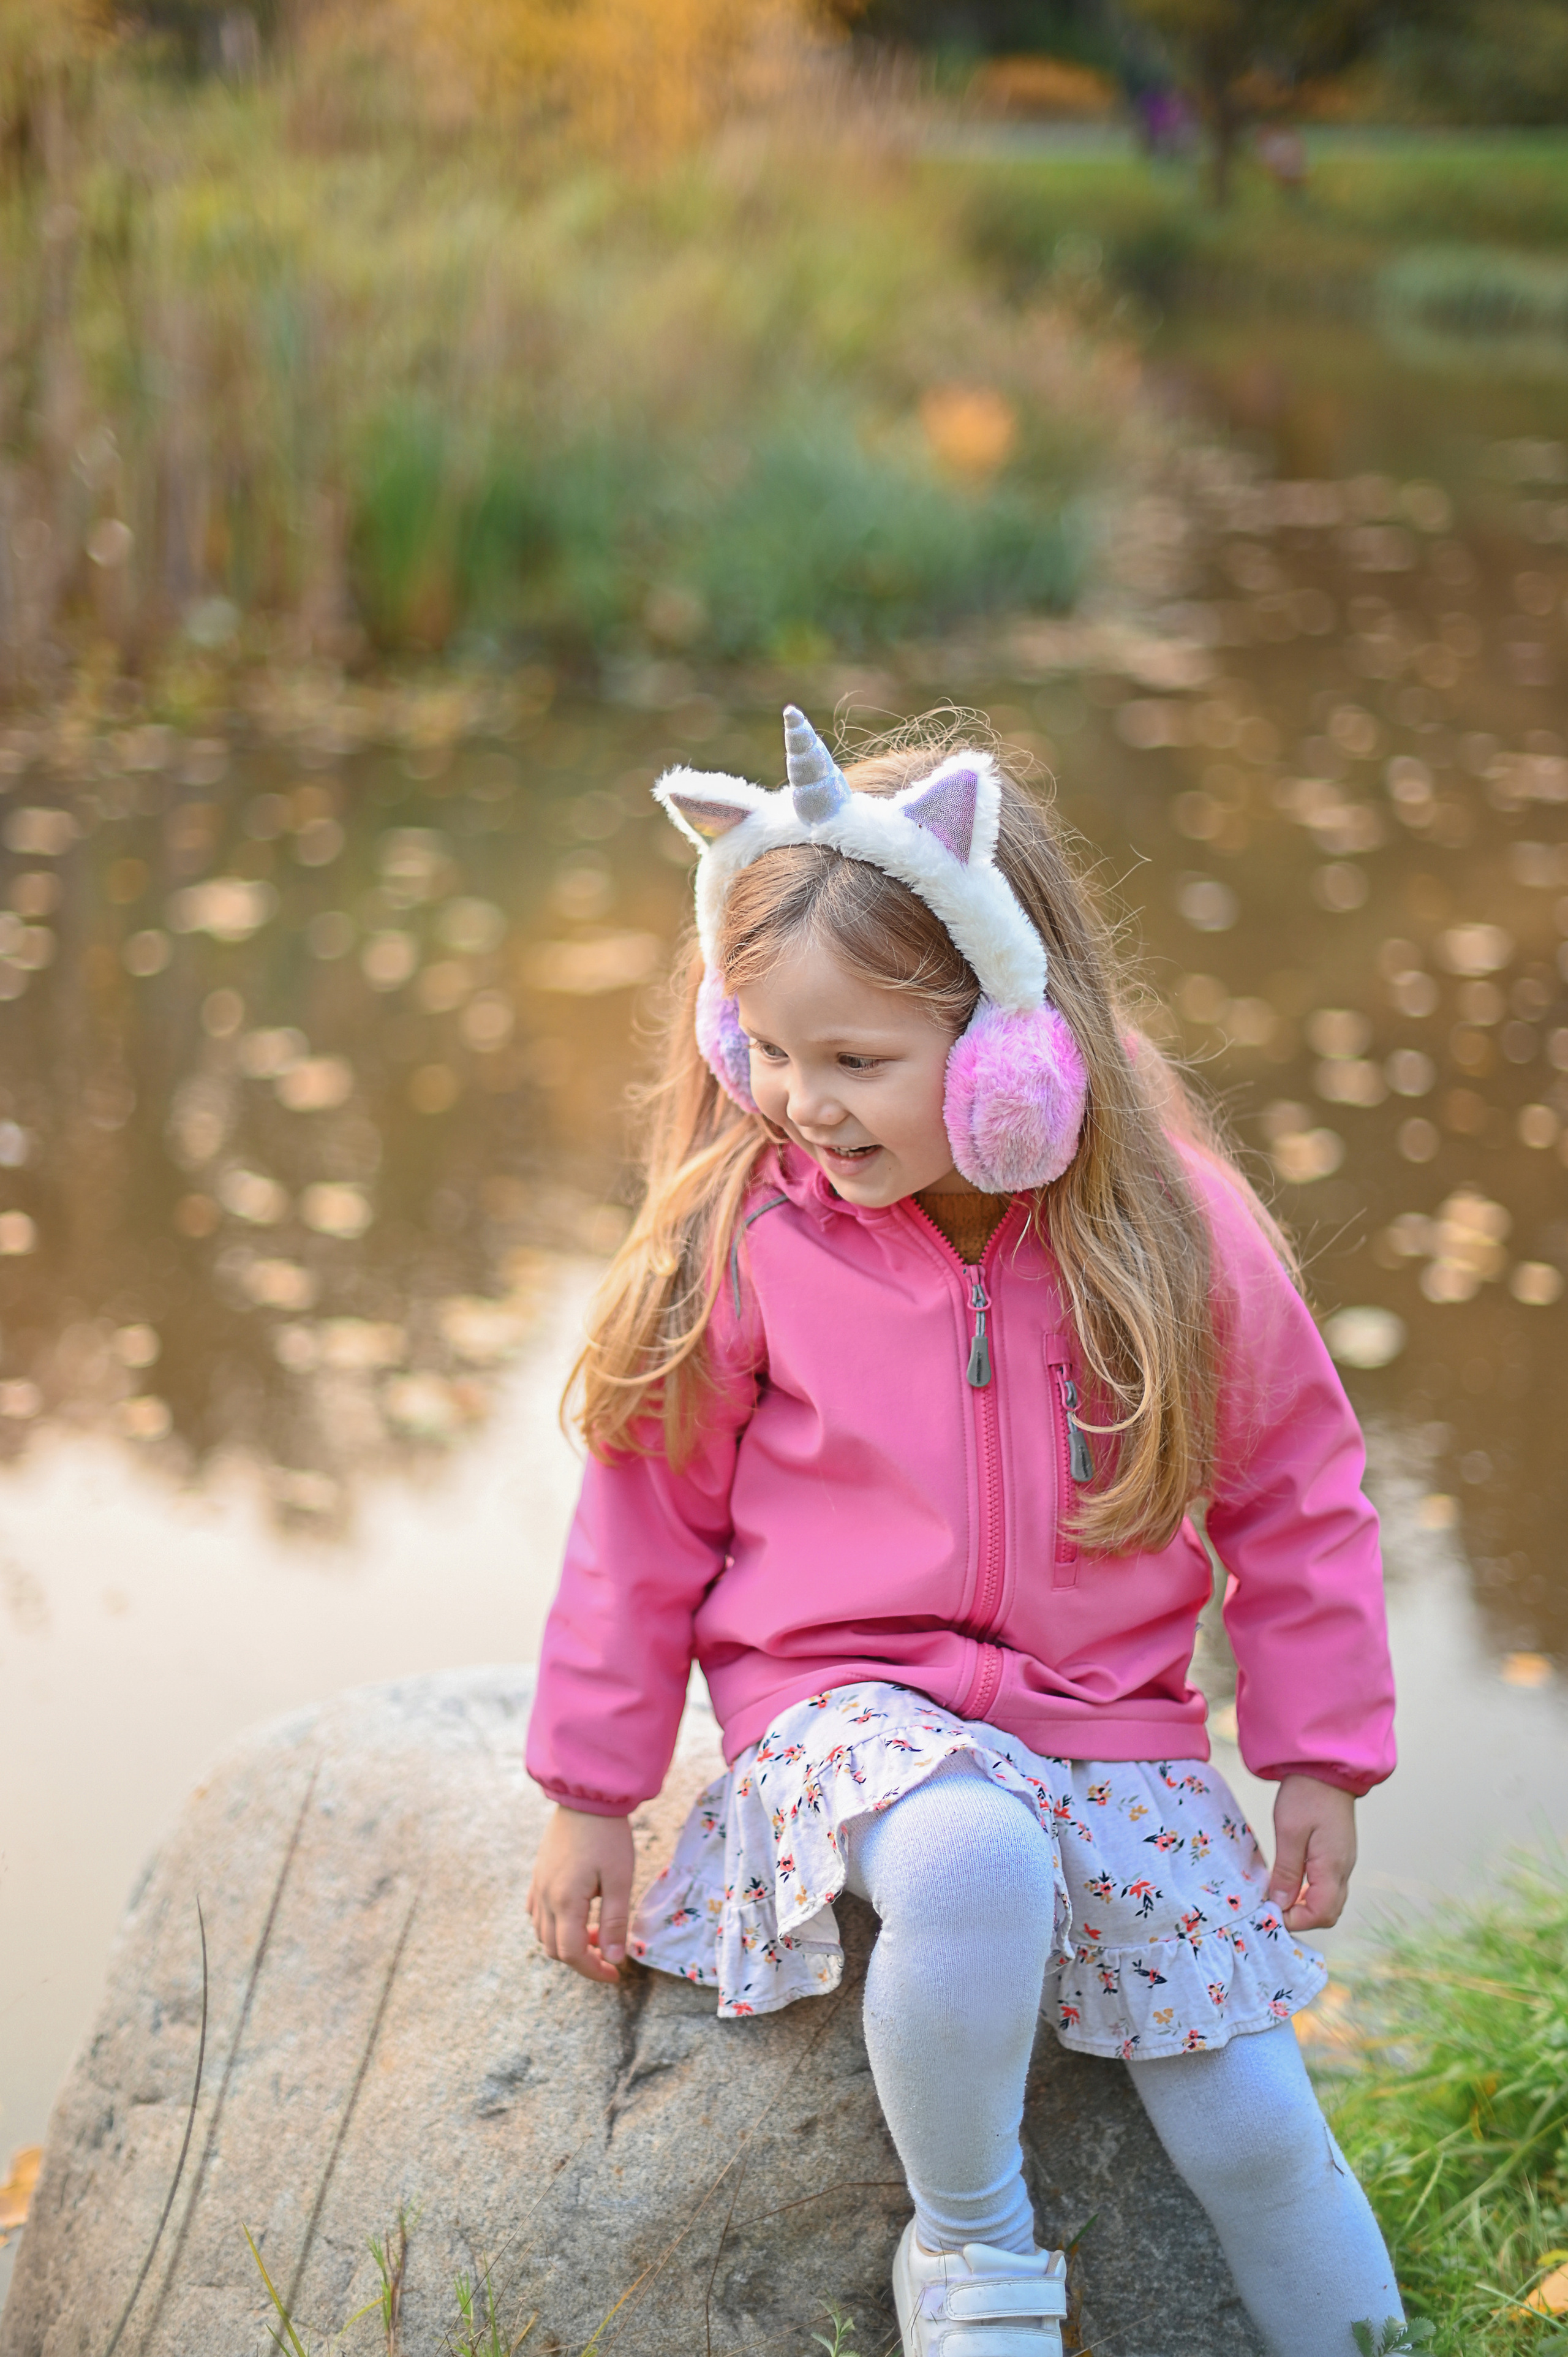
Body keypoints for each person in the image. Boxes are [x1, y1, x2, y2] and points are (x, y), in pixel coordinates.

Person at [526, 707, 1404, 2357]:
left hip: (1113, 1726)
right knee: (973, 1856)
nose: (800, 1102)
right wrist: (591, 1790)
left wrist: (1321, 1756)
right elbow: (638, 1521)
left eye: (857, 1061)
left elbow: (1298, 1490)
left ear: (1016, 1052)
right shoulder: (748, 1233)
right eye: (769, 1050)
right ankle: (976, 2249)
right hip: (843, 1709)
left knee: (1257, 2126)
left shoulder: (1170, 1233)